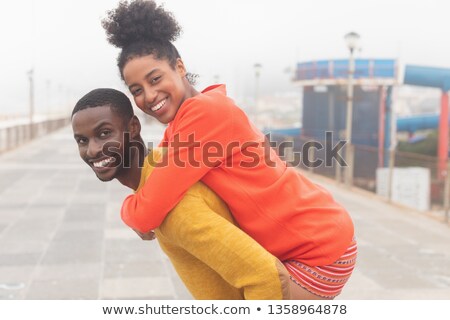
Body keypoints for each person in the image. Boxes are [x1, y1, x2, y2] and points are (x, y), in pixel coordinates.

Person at [102, 0, 357, 299]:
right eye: (137, 90)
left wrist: (130, 213)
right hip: (302, 238)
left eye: (155, 79)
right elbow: (157, 182)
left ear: (180, 67)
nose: (149, 95)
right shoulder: (182, 124)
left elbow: (151, 207)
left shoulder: (206, 113)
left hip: (317, 248)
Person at [71, 88, 291, 299]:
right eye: (82, 140)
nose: (92, 150)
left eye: (104, 133)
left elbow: (266, 277)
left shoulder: (174, 208)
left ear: (133, 127)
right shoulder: (162, 164)